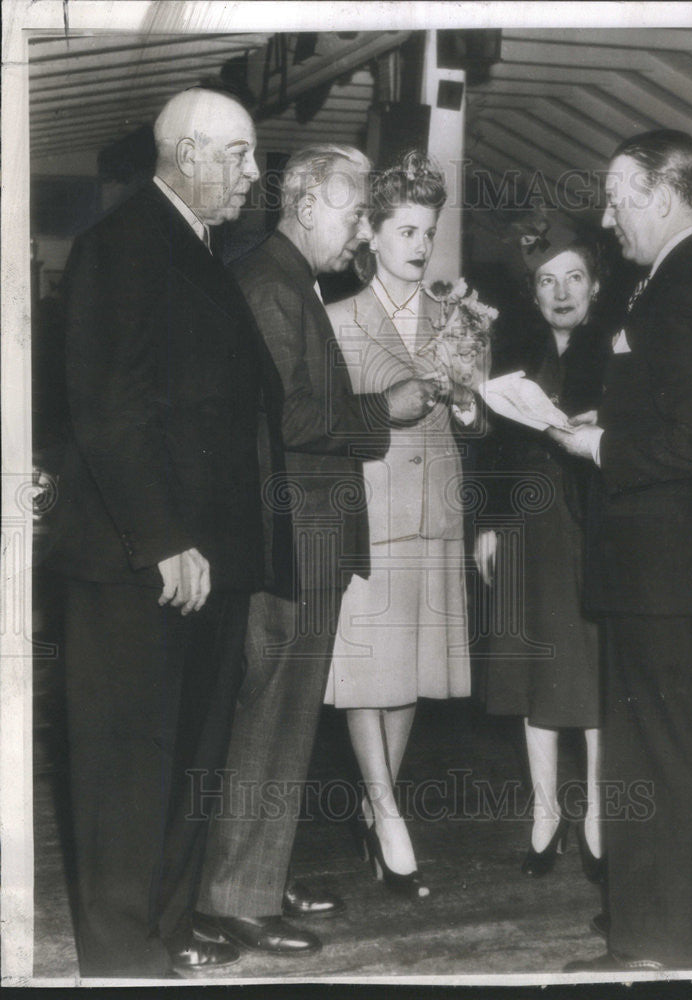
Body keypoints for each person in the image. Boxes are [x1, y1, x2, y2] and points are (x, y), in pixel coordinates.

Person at [194, 145, 436, 951]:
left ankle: (257, 879)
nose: (362, 233)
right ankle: (235, 897)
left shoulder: (289, 280)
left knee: (286, 726)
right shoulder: (271, 284)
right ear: (306, 205)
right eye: (353, 214)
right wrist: (387, 412)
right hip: (291, 540)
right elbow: (290, 419)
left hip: (306, 536)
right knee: (268, 725)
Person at [49, 87, 267, 977]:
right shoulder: (123, 245)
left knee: (185, 757)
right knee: (126, 766)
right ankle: (118, 952)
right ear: (187, 156)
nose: (255, 173)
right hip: (142, 559)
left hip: (200, 559)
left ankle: (167, 926)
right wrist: (165, 538)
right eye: (242, 155)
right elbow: (109, 410)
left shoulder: (196, 248)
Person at [550, 130, 692, 971]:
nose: (605, 217)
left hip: (669, 572)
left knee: (660, 759)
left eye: (616, 196)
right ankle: (672, 932)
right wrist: (612, 425)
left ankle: (657, 948)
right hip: (691, 568)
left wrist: (599, 449)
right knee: (683, 758)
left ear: (663, 192)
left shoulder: (687, 286)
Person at [323, 151, 475, 900]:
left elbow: (476, 426)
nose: (419, 245)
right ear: (371, 237)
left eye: (427, 230)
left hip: (436, 513)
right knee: (365, 672)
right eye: (405, 230)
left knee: (409, 670)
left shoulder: (457, 318)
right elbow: (324, 423)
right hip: (371, 513)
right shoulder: (336, 320)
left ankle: (373, 804)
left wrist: (474, 410)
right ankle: (384, 811)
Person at [474, 210, 610, 882]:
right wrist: (487, 523)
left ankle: (597, 821)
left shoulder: (616, 353)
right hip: (526, 532)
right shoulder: (512, 357)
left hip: (591, 530)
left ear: (593, 287)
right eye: (548, 281)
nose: (561, 292)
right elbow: (489, 453)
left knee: (590, 672)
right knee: (532, 674)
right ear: (533, 294)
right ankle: (544, 813)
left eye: (574, 278)